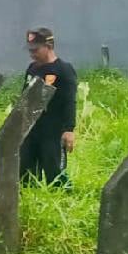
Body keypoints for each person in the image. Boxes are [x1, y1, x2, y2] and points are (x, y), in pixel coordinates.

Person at [21, 27, 78, 187]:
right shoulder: (32, 69)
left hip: (54, 132)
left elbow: (69, 101)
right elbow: (24, 98)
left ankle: (64, 204)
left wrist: (69, 129)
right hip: (31, 130)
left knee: (55, 175)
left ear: (49, 46)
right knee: (26, 174)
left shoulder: (63, 70)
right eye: (30, 50)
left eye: (36, 50)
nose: (32, 54)